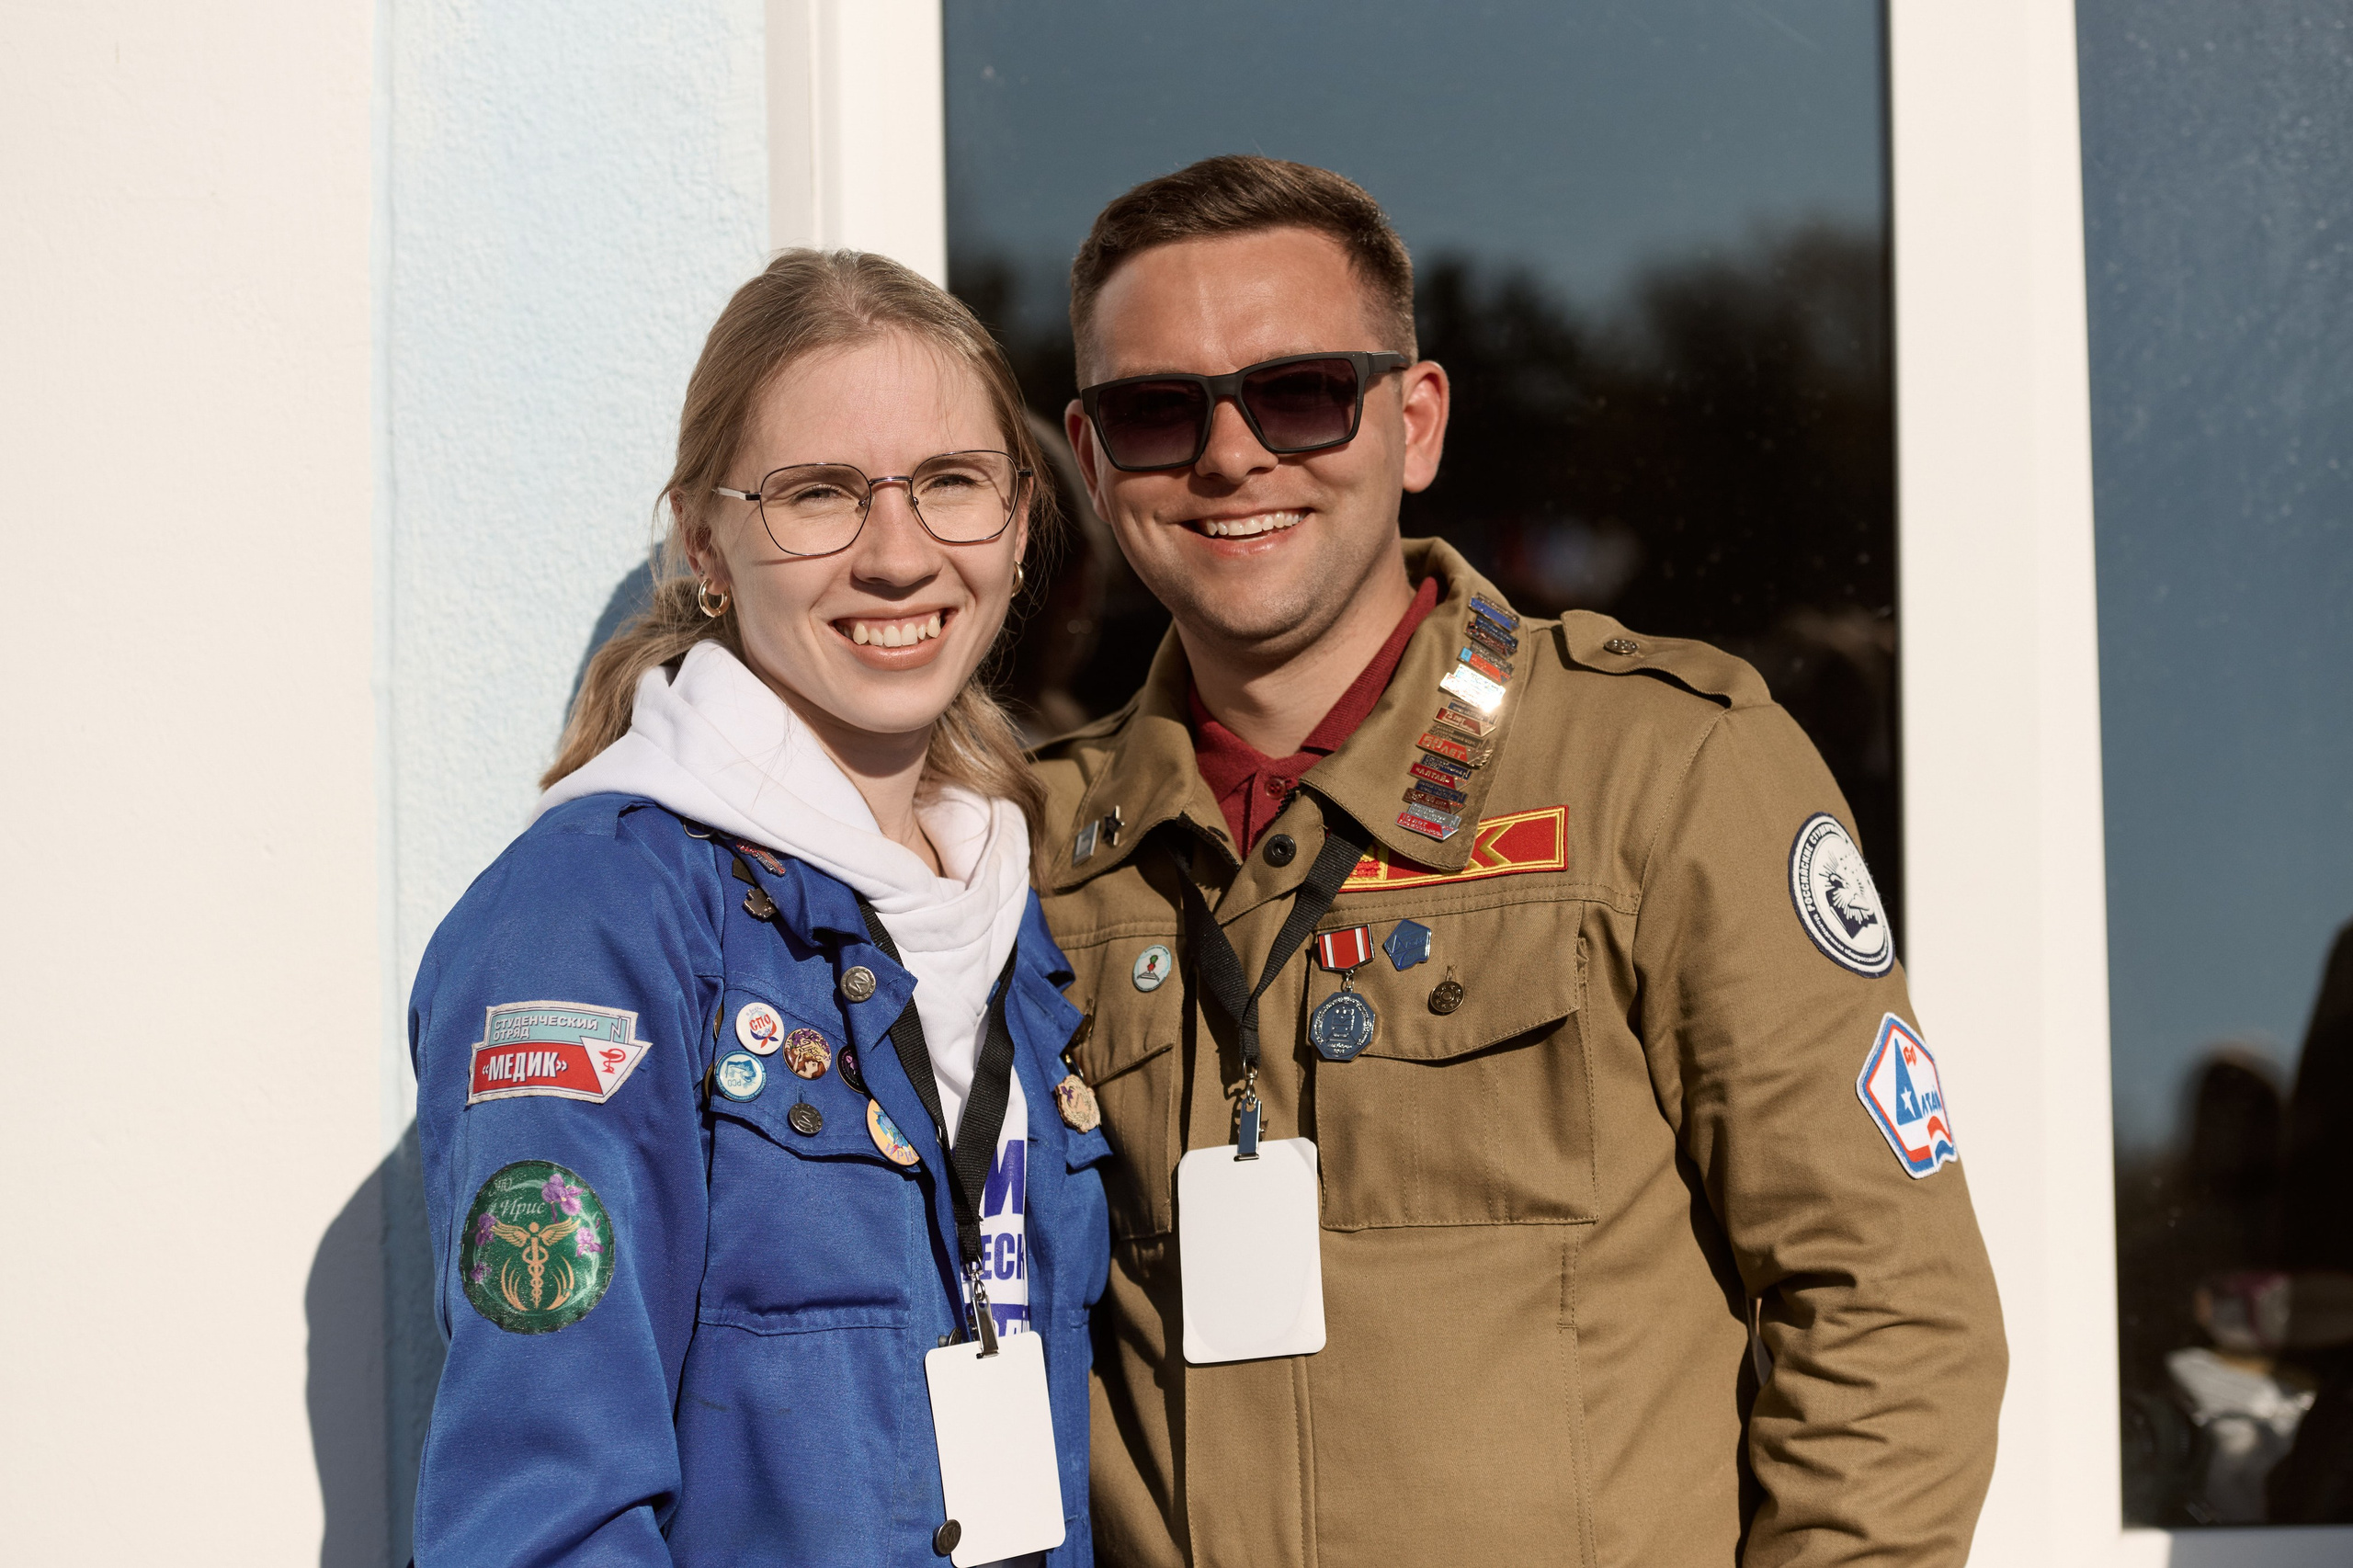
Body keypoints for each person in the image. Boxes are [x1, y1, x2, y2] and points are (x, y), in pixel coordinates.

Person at [1030, 156, 2007, 1566]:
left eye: (1301, 392)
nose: (1230, 455)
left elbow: (1892, 1311)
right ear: (1090, 455)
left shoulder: (1663, 768)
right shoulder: (1027, 849)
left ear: (1416, 421)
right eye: (1155, 410)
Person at [409, 250, 1111, 1565]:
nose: (897, 555)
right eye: (818, 494)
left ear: (1021, 522)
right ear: (704, 540)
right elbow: (547, 1517)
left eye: (951, 482)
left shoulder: (1008, 899)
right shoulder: (594, 919)